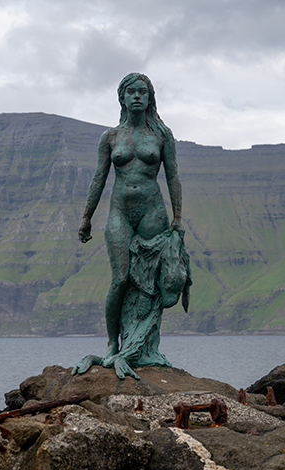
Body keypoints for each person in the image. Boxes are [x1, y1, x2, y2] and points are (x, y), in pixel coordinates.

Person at [73, 73, 191, 379]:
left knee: (151, 282)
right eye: (131, 92)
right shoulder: (110, 137)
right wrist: (86, 217)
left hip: (152, 210)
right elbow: (99, 178)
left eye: (143, 92)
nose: (137, 96)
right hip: (120, 212)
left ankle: (144, 347)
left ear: (150, 98)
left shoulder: (162, 135)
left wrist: (178, 217)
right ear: (122, 98)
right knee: (121, 278)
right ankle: (114, 344)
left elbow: (173, 175)